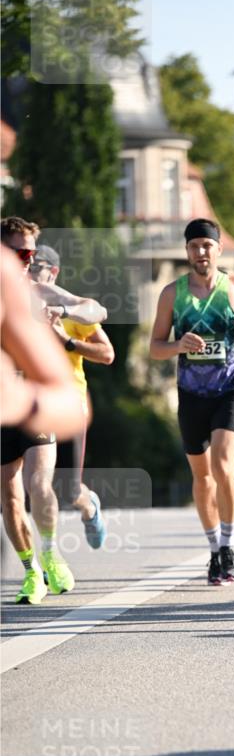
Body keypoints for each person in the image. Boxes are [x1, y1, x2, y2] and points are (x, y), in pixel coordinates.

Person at [150, 218, 234, 585]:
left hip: (232, 388)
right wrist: (178, 345)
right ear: (187, 251)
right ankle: (214, 549)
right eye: (194, 246)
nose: (201, 252)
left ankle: (229, 546)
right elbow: (154, 347)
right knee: (202, 476)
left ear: (219, 248)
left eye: (207, 246)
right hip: (191, 392)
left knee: (223, 463)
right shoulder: (172, 293)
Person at [1, 219, 95, 603]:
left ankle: (51, 553)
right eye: (20, 253)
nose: (28, 261)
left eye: (31, 254)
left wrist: (69, 311)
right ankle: (30, 571)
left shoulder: (36, 292)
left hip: (30, 405)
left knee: (39, 485)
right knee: (8, 497)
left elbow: (90, 308)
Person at [30, 244, 114, 548]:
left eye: (36, 265)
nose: (28, 270)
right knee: (28, 483)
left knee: (67, 490)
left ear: (53, 272)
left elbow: (107, 354)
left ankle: (89, 505)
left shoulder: (72, 311)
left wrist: (66, 341)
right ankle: (43, 558)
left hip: (69, 402)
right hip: (32, 404)